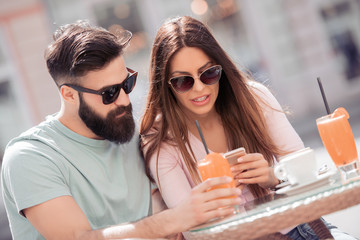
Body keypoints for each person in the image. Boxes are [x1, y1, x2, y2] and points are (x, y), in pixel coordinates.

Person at [0, 20, 242, 240]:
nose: (125, 101)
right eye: (109, 93)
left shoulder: (131, 137)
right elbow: (77, 237)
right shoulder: (30, 157)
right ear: (69, 95)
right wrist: (172, 220)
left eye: (126, 84)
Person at [140, 16, 356, 239]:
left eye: (208, 74)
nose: (199, 88)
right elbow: (192, 230)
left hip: (298, 228)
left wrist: (273, 178)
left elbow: (307, 175)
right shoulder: (161, 142)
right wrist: (215, 203)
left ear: (220, 69)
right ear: (166, 85)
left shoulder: (254, 98)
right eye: (183, 81)